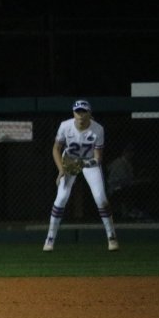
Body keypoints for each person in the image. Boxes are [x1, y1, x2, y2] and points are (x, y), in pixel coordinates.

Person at [43, 99, 118, 251]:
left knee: (100, 198)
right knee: (62, 197)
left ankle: (112, 237)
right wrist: (61, 169)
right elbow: (56, 149)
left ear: (90, 114)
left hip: (89, 162)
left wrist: (83, 165)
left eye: (84, 112)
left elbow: (98, 158)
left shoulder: (98, 129)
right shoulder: (65, 126)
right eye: (78, 112)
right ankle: (50, 239)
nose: (81, 115)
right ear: (73, 113)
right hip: (70, 159)